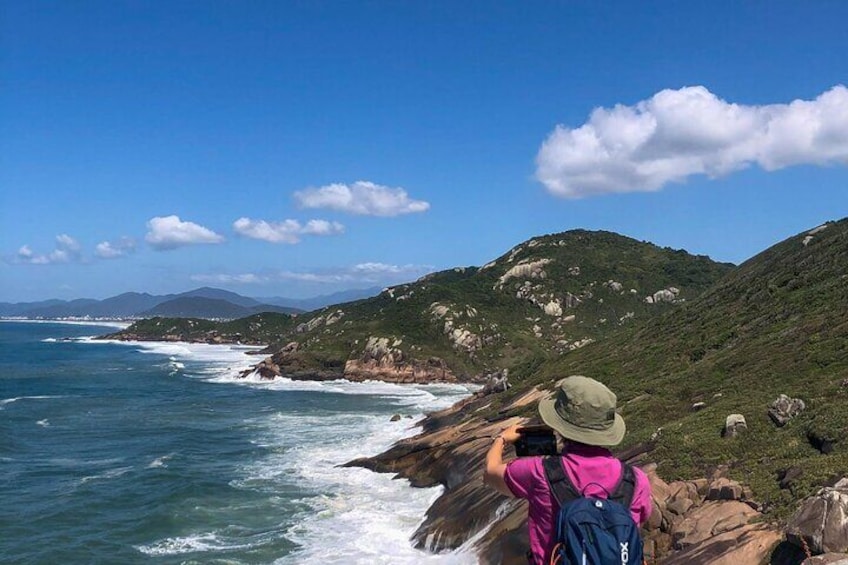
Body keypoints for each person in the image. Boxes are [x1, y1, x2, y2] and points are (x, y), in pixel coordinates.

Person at [483, 375, 653, 565]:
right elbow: (637, 523)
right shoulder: (636, 480)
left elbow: (490, 473)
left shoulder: (539, 471)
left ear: (561, 425)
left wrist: (502, 439)